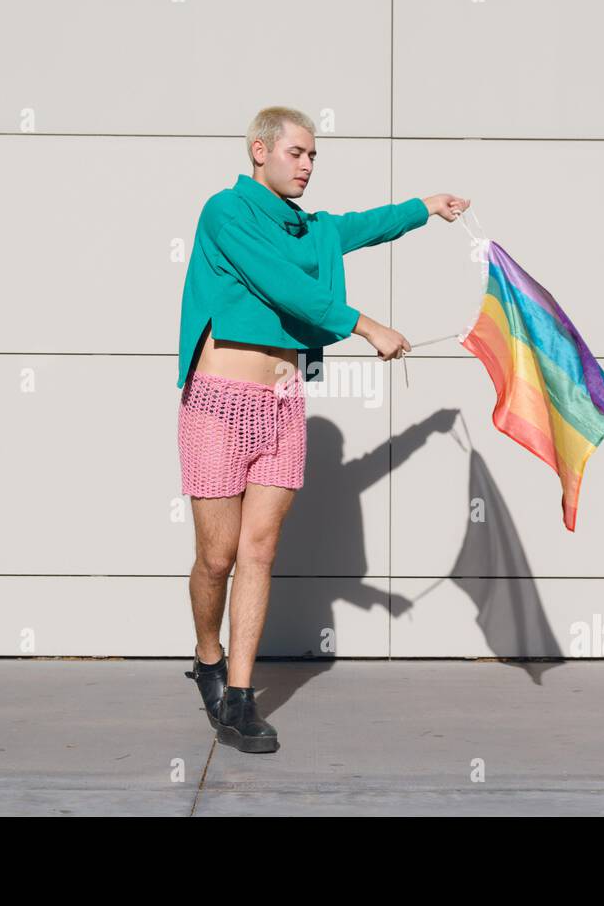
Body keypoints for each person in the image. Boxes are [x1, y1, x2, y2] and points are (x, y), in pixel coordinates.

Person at [177, 105, 470, 753]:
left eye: (314, 157)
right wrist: (367, 326)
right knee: (217, 557)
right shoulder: (224, 214)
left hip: (282, 403)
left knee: (259, 553)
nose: (308, 166)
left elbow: (363, 226)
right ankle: (206, 656)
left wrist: (424, 206)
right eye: (297, 154)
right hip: (218, 403)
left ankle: (240, 701)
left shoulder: (310, 229)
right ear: (260, 151)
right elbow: (284, 288)